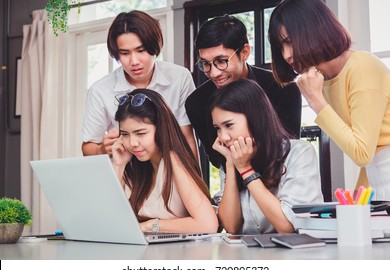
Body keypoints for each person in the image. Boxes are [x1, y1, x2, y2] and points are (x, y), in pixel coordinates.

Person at [268, 0, 390, 199]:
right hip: (377, 182)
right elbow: (370, 158)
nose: (286, 55)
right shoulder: (323, 81)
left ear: (314, 30)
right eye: (280, 46)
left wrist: (315, 100)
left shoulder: (361, 67)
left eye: (289, 41)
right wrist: (358, 203)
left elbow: (362, 153)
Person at [185, 14, 302, 169]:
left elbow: (290, 148)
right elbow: (216, 158)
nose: (213, 73)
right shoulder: (196, 103)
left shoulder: (283, 89)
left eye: (221, 61)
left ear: (245, 52)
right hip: (233, 180)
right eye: (206, 64)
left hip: (283, 176)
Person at [82, 10, 198, 162]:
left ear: (155, 46)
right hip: (127, 176)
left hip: (170, 170)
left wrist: (196, 182)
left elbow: (187, 138)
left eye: (141, 50)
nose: (134, 61)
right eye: (125, 53)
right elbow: (88, 147)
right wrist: (100, 149)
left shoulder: (179, 77)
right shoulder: (100, 90)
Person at [210, 79, 323, 234]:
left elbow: (287, 226)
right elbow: (231, 226)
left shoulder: (299, 153)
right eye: (218, 128)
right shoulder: (231, 159)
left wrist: (245, 170)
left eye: (229, 125)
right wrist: (231, 164)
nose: (223, 137)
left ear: (254, 118)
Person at [111, 89, 218, 233]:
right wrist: (119, 166)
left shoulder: (175, 162)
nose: (132, 143)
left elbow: (208, 225)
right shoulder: (131, 164)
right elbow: (108, 220)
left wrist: (150, 225)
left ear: (161, 129)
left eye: (141, 133)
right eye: (124, 134)